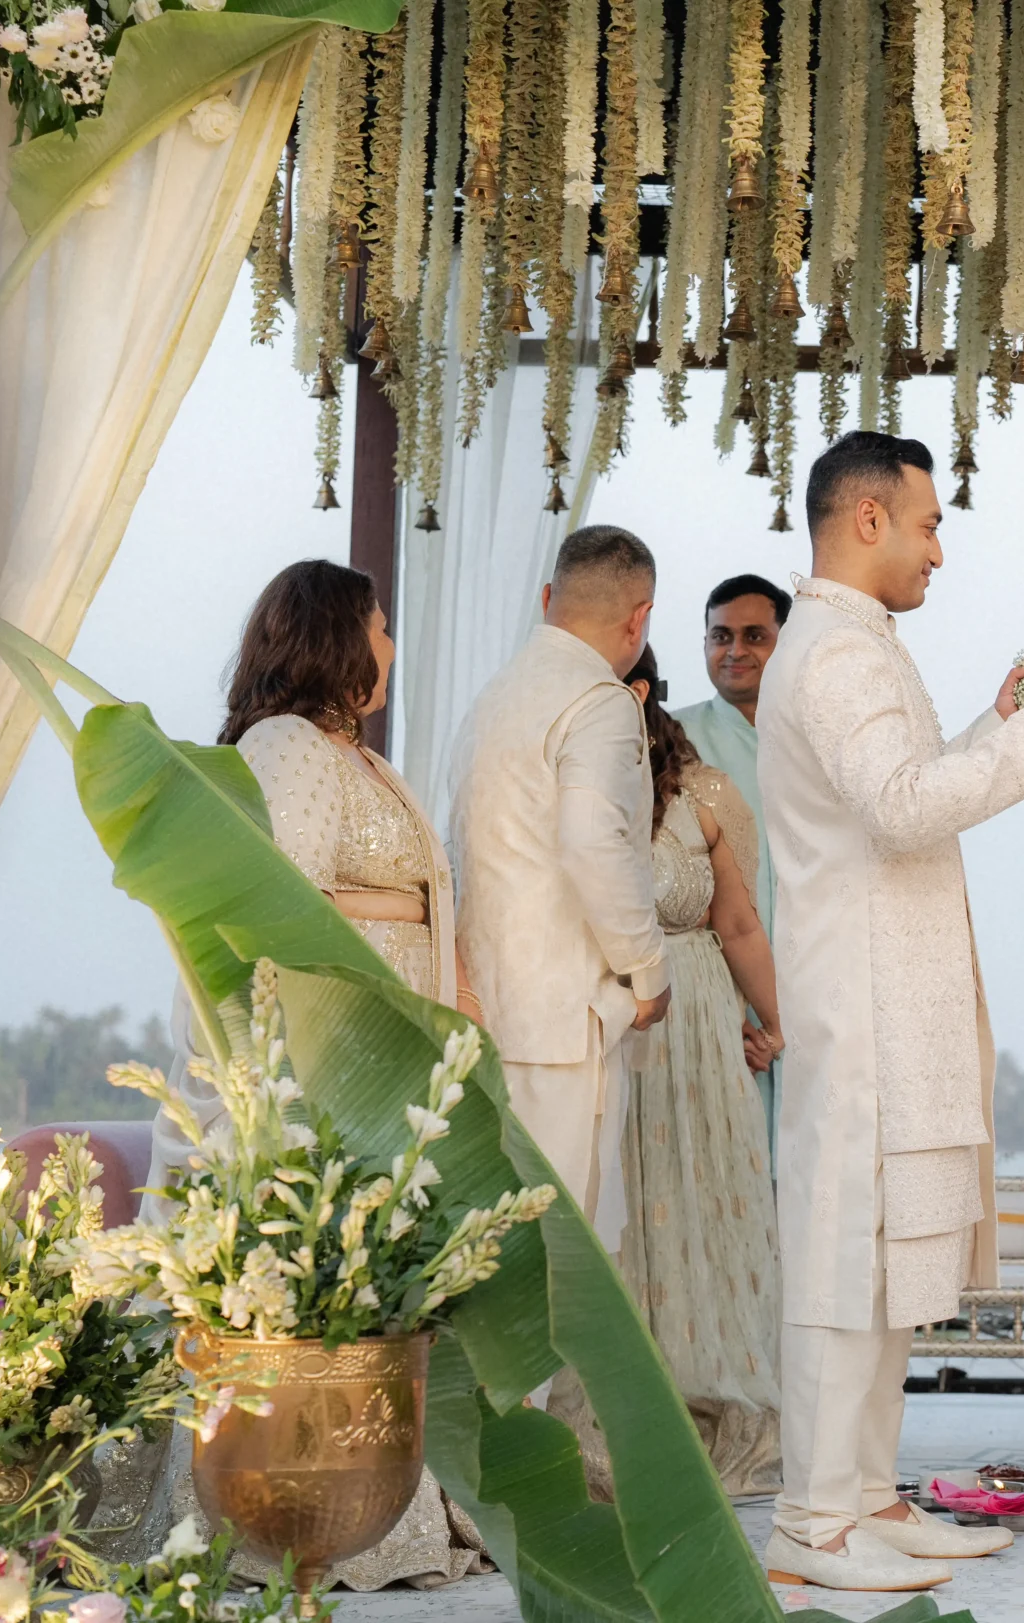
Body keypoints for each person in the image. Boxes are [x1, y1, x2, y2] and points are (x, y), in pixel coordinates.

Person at [756, 431, 1024, 1591]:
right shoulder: (838, 653)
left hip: (883, 996)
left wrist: (996, 725)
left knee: (882, 1261)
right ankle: (813, 1525)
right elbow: (904, 810)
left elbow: (894, 797)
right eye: (927, 524)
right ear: (867, 519)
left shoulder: (852, 643)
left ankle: (864, 1497)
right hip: (861, 1005)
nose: (938, 551)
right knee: (844, 1259)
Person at [158, 558, 486, 1591]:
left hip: (384, 1061)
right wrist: (398, 925)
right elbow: (284, 907)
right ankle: (290, 1508)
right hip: (329, 1059)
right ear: (338, 637)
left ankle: (372, 1500)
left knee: (381, 1277)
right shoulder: (289, 747)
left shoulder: (356, 757)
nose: (391, 646)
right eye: (381, 627)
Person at [450, 525, 669, 1255]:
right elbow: (591, 841)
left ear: (548, 597)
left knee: (492, 1253)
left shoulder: (492, 698)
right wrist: (647, 969)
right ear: (639, 618)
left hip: (486, 1012)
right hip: (564, 1020)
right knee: (562, 1259)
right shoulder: (600, 701)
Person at [614, 645, 786, 1497]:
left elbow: (740, 923)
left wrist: (776, 1023)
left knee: (702, 1202)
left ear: (638, 694)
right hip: (605, 1027)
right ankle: (621, 1413)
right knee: (619, 1213)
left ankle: (711, 1403)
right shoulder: (562, 789)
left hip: (698, 1026)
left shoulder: (703, 793)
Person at [671, 575, 791, 1146]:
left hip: (816, 990)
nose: (735, 650)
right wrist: (724, 1009)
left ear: (786, 644)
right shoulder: (672, 740)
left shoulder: (817, 741)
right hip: (715, 1004)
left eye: (754, 636)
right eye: (721, 636)